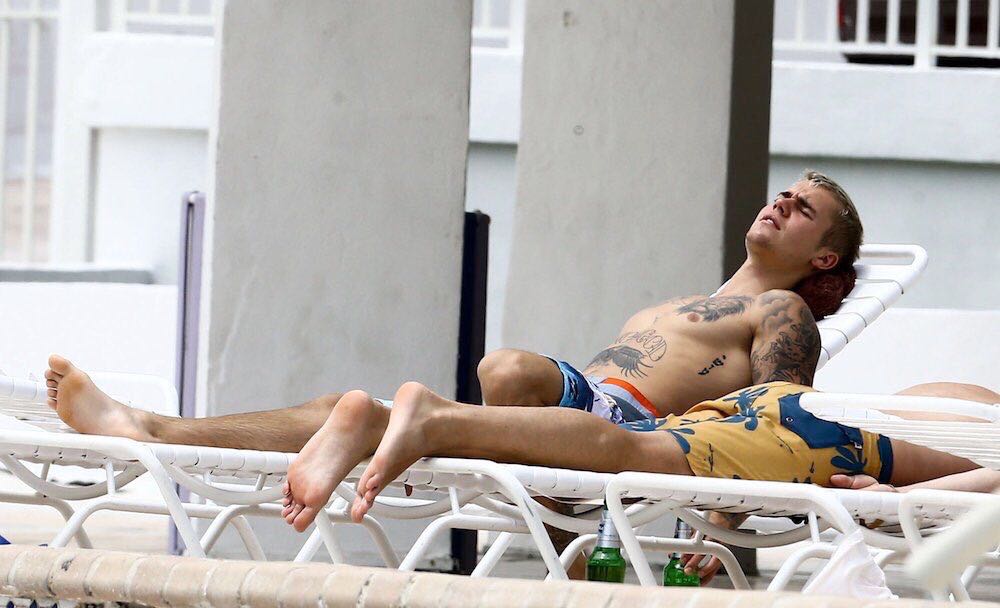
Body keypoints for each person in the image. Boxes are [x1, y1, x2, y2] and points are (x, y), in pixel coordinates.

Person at [42, 170, 996, 567]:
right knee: (372, 401)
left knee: (491, 376)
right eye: (781, 193)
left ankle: (408, 419)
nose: (780, 204)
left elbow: (774, 422)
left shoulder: (780, 312)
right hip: (583, 408)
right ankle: (155, 429)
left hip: (630, 442)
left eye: (804, 210)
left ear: (825, 257)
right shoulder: (683, 300)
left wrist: (722, 531)